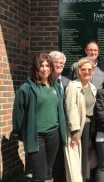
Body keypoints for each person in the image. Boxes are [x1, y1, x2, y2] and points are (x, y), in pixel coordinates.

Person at [12, 53, 67, 181]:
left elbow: (60, 112)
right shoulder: (26, 89)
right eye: (41, 65)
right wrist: (22, 135)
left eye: (47, 65)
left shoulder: (57, 87)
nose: (44, 68)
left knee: (48, 171)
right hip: (36, 137)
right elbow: (18, 115)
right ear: (35, 68)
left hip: (53, 135)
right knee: (39, 175)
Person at [64, 58, 97, 182]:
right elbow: (70, 108)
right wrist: (75, 131)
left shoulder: (93, 88)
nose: (87, 71)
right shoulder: (73, 86)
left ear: (93, 71)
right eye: (84, 69)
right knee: (77, 157)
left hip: (90, 127)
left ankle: (85, 178)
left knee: (85, 157)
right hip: (78, 127)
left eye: (89, 69)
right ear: (78, 71)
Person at [49, 50, 70, 182]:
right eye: (56, 62)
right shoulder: (44, 81)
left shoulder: (68, 82)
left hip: (65, 127)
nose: (59, 65)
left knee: (62, 160)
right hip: (51, 127)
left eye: (61, 63)